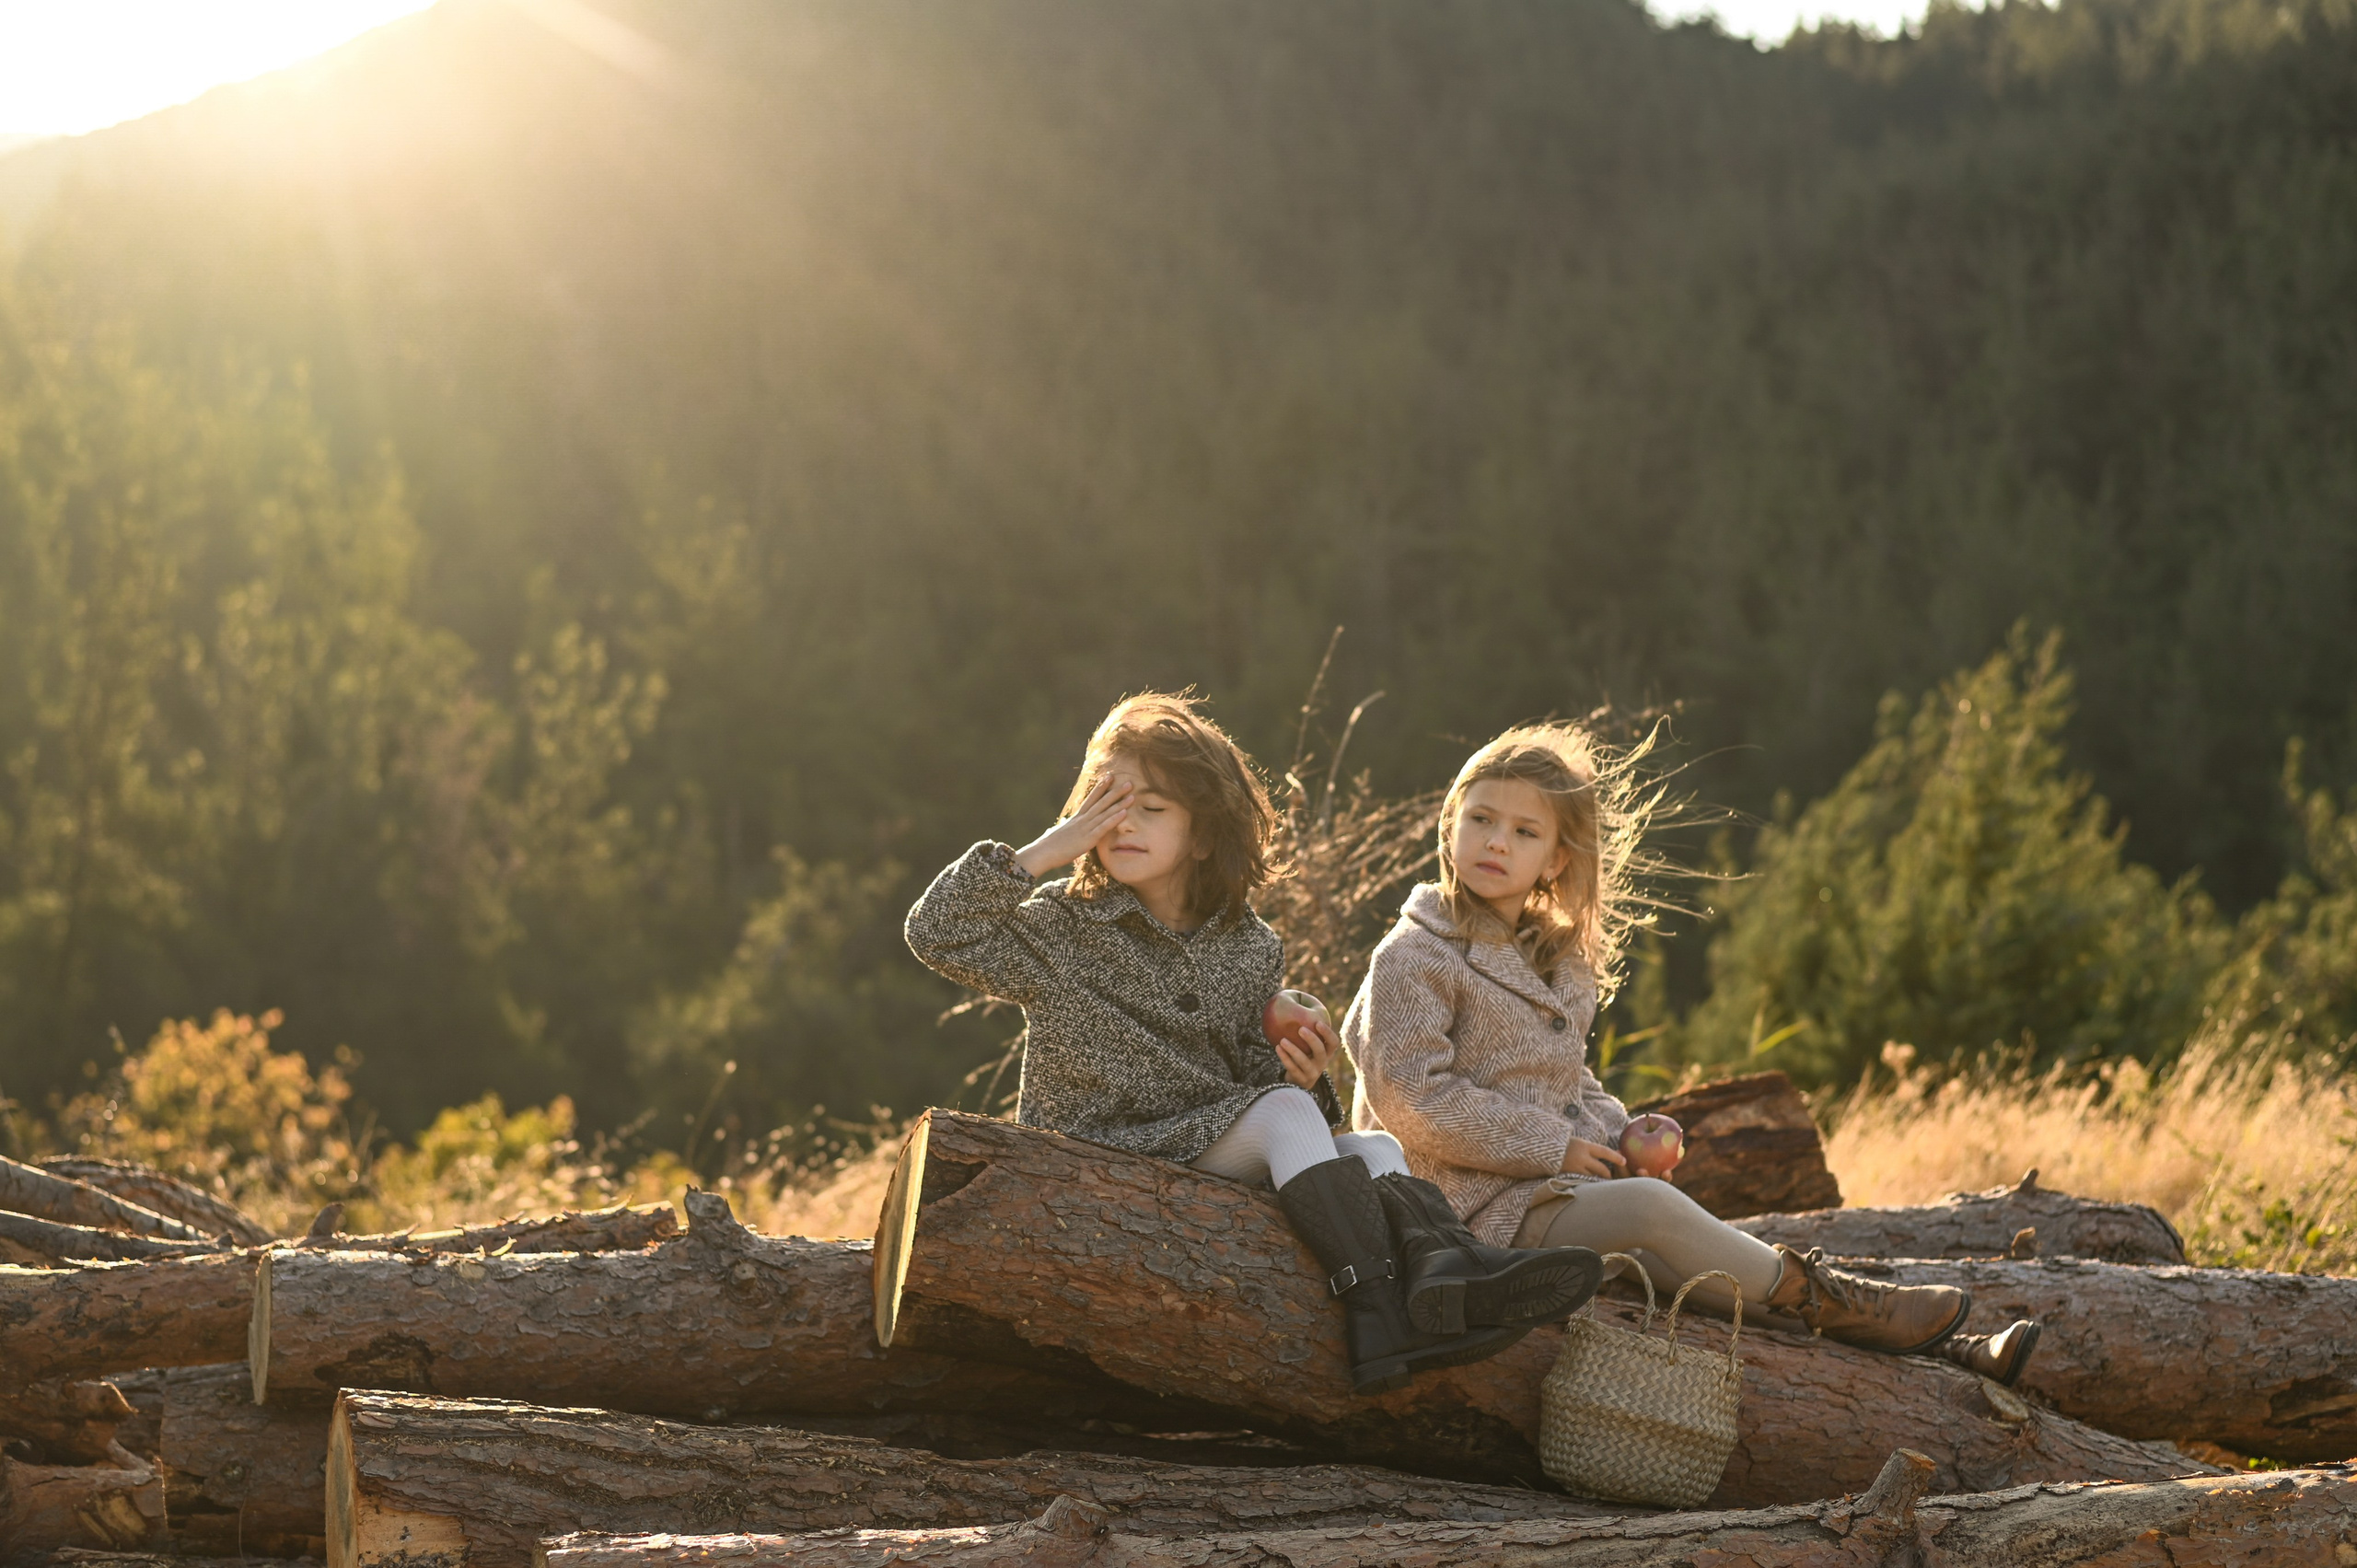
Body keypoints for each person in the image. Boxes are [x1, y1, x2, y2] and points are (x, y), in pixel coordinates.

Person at [905, 692, 1603, 1396]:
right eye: (1105, 804)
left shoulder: (1248, 945)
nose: (1121, 823)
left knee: (1373, 1146)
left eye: (1151, 807)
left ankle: (1444, 1271)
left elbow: (1252, 1079)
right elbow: (937, 931)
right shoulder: (1061, 925)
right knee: (1286, 1115)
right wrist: (1048, 849)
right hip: (1099, 1142)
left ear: (1203, 836)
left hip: (1204, 1142)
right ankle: (1378, 1312)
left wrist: (1304, 1075)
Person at [1346, 723, 2040, 1383]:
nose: (1496, 841)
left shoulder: (1552, 959)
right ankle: (1849, 1298)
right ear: (1450, 825)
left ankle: (1950, 1351)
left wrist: (1620, 1134)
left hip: (1543, 1192)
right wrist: (1554, 1146)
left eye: (1524, 831)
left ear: (1556, 859)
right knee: (1653, 1211)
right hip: (1463, 1210)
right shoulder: (1414, 954)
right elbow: (1411, 1097)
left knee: (1714, 1279)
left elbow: (1566, 1078)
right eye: (1481, 819)